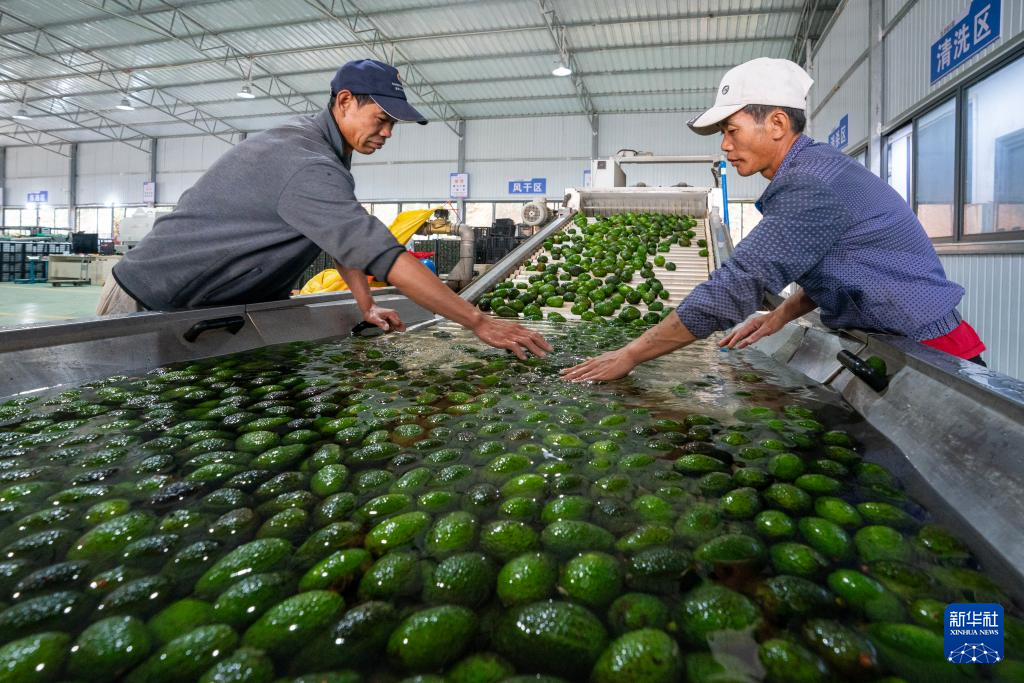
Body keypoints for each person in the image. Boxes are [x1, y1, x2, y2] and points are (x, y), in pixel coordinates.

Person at [562, 57, 984, 382]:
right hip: (896, 342)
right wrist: (781, 314)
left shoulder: (811, 183)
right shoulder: (815, 170)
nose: (725, 146)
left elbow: (738, 283)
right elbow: (839, 264)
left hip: (931, 354)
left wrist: (630, 355)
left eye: (732, 130)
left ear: (777, 123)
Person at [98, 59, 550, 360]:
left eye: (394, 124)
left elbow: (340, 240)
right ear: (345, 101)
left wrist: (365, 304)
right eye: (383, 120)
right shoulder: (304, 161)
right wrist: (478, 322)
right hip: (149, 302)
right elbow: (380, 252)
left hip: (207, 308)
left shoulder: (326, 157)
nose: (388, 133)